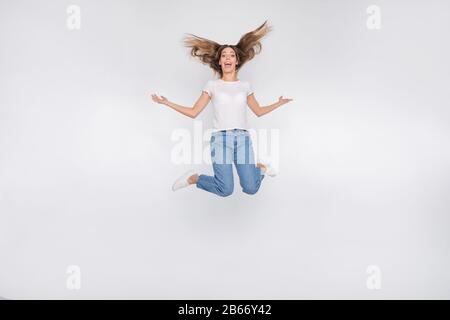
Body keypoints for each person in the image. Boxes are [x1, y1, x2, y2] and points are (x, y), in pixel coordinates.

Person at [151, 20, 293, 197]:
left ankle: (261, 168)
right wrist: (166, 102)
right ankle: (194, 178)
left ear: (237, 60)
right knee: (225, 189)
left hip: (243, 140)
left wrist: (279, 103)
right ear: (219, 61)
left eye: (231, 55)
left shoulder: (245, 85)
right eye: (224, 55)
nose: (228, 58)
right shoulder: (212, 85)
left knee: (251, 188)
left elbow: (258, 111)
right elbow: (194, 112)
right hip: (220, 141)